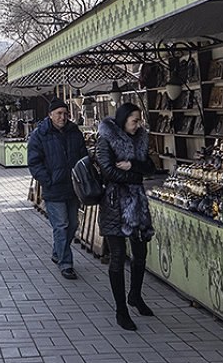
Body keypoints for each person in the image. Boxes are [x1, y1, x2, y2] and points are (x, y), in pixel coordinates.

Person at [95, 102, 157, 331]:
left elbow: (150, 166)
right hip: (114, 204)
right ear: (123, 120)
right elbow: (107, 170)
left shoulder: (141, 138)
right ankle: (121, 310)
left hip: (137, 204)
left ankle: (135, 296)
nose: (137, 124)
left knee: (141, 253)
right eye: (134, 121)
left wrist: (132, 165)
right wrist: (135, 176)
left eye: (139, 120)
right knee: (118, 256)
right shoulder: (106, 138)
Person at [27, 98, 87, 280]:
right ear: (50, 115)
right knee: (61, 225)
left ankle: (57, 251)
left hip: (73, 187)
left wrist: (84, 175)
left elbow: (83, 156)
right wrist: (48, 180)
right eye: (59, 113)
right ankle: (66, 263)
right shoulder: (40, 135)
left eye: (65, 113)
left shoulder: (74, 132)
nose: (63, 117)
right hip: (54, 188)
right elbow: (34, 162)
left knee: (73, 225)